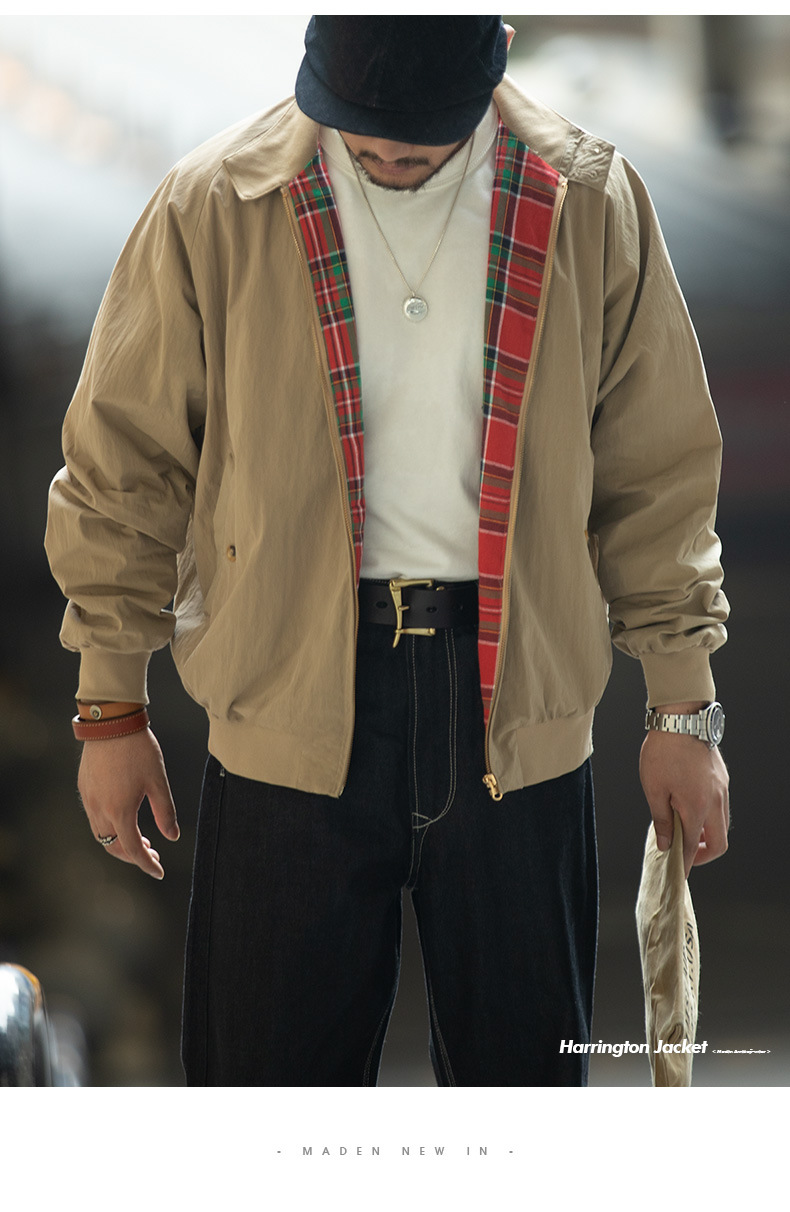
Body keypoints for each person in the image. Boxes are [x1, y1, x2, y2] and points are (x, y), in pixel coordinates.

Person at [45, 16, 730, 1087]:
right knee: (263, 1103)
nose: (383, 157)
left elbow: (656, 471)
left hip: (517, 714)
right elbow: (124, 465)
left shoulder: (588, 201)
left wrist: (682, 709)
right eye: (357, 135)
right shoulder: (215, 204)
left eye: (418, 143)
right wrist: (110, 706)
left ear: (492, 68)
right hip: (285, 708)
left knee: (524, 1104)